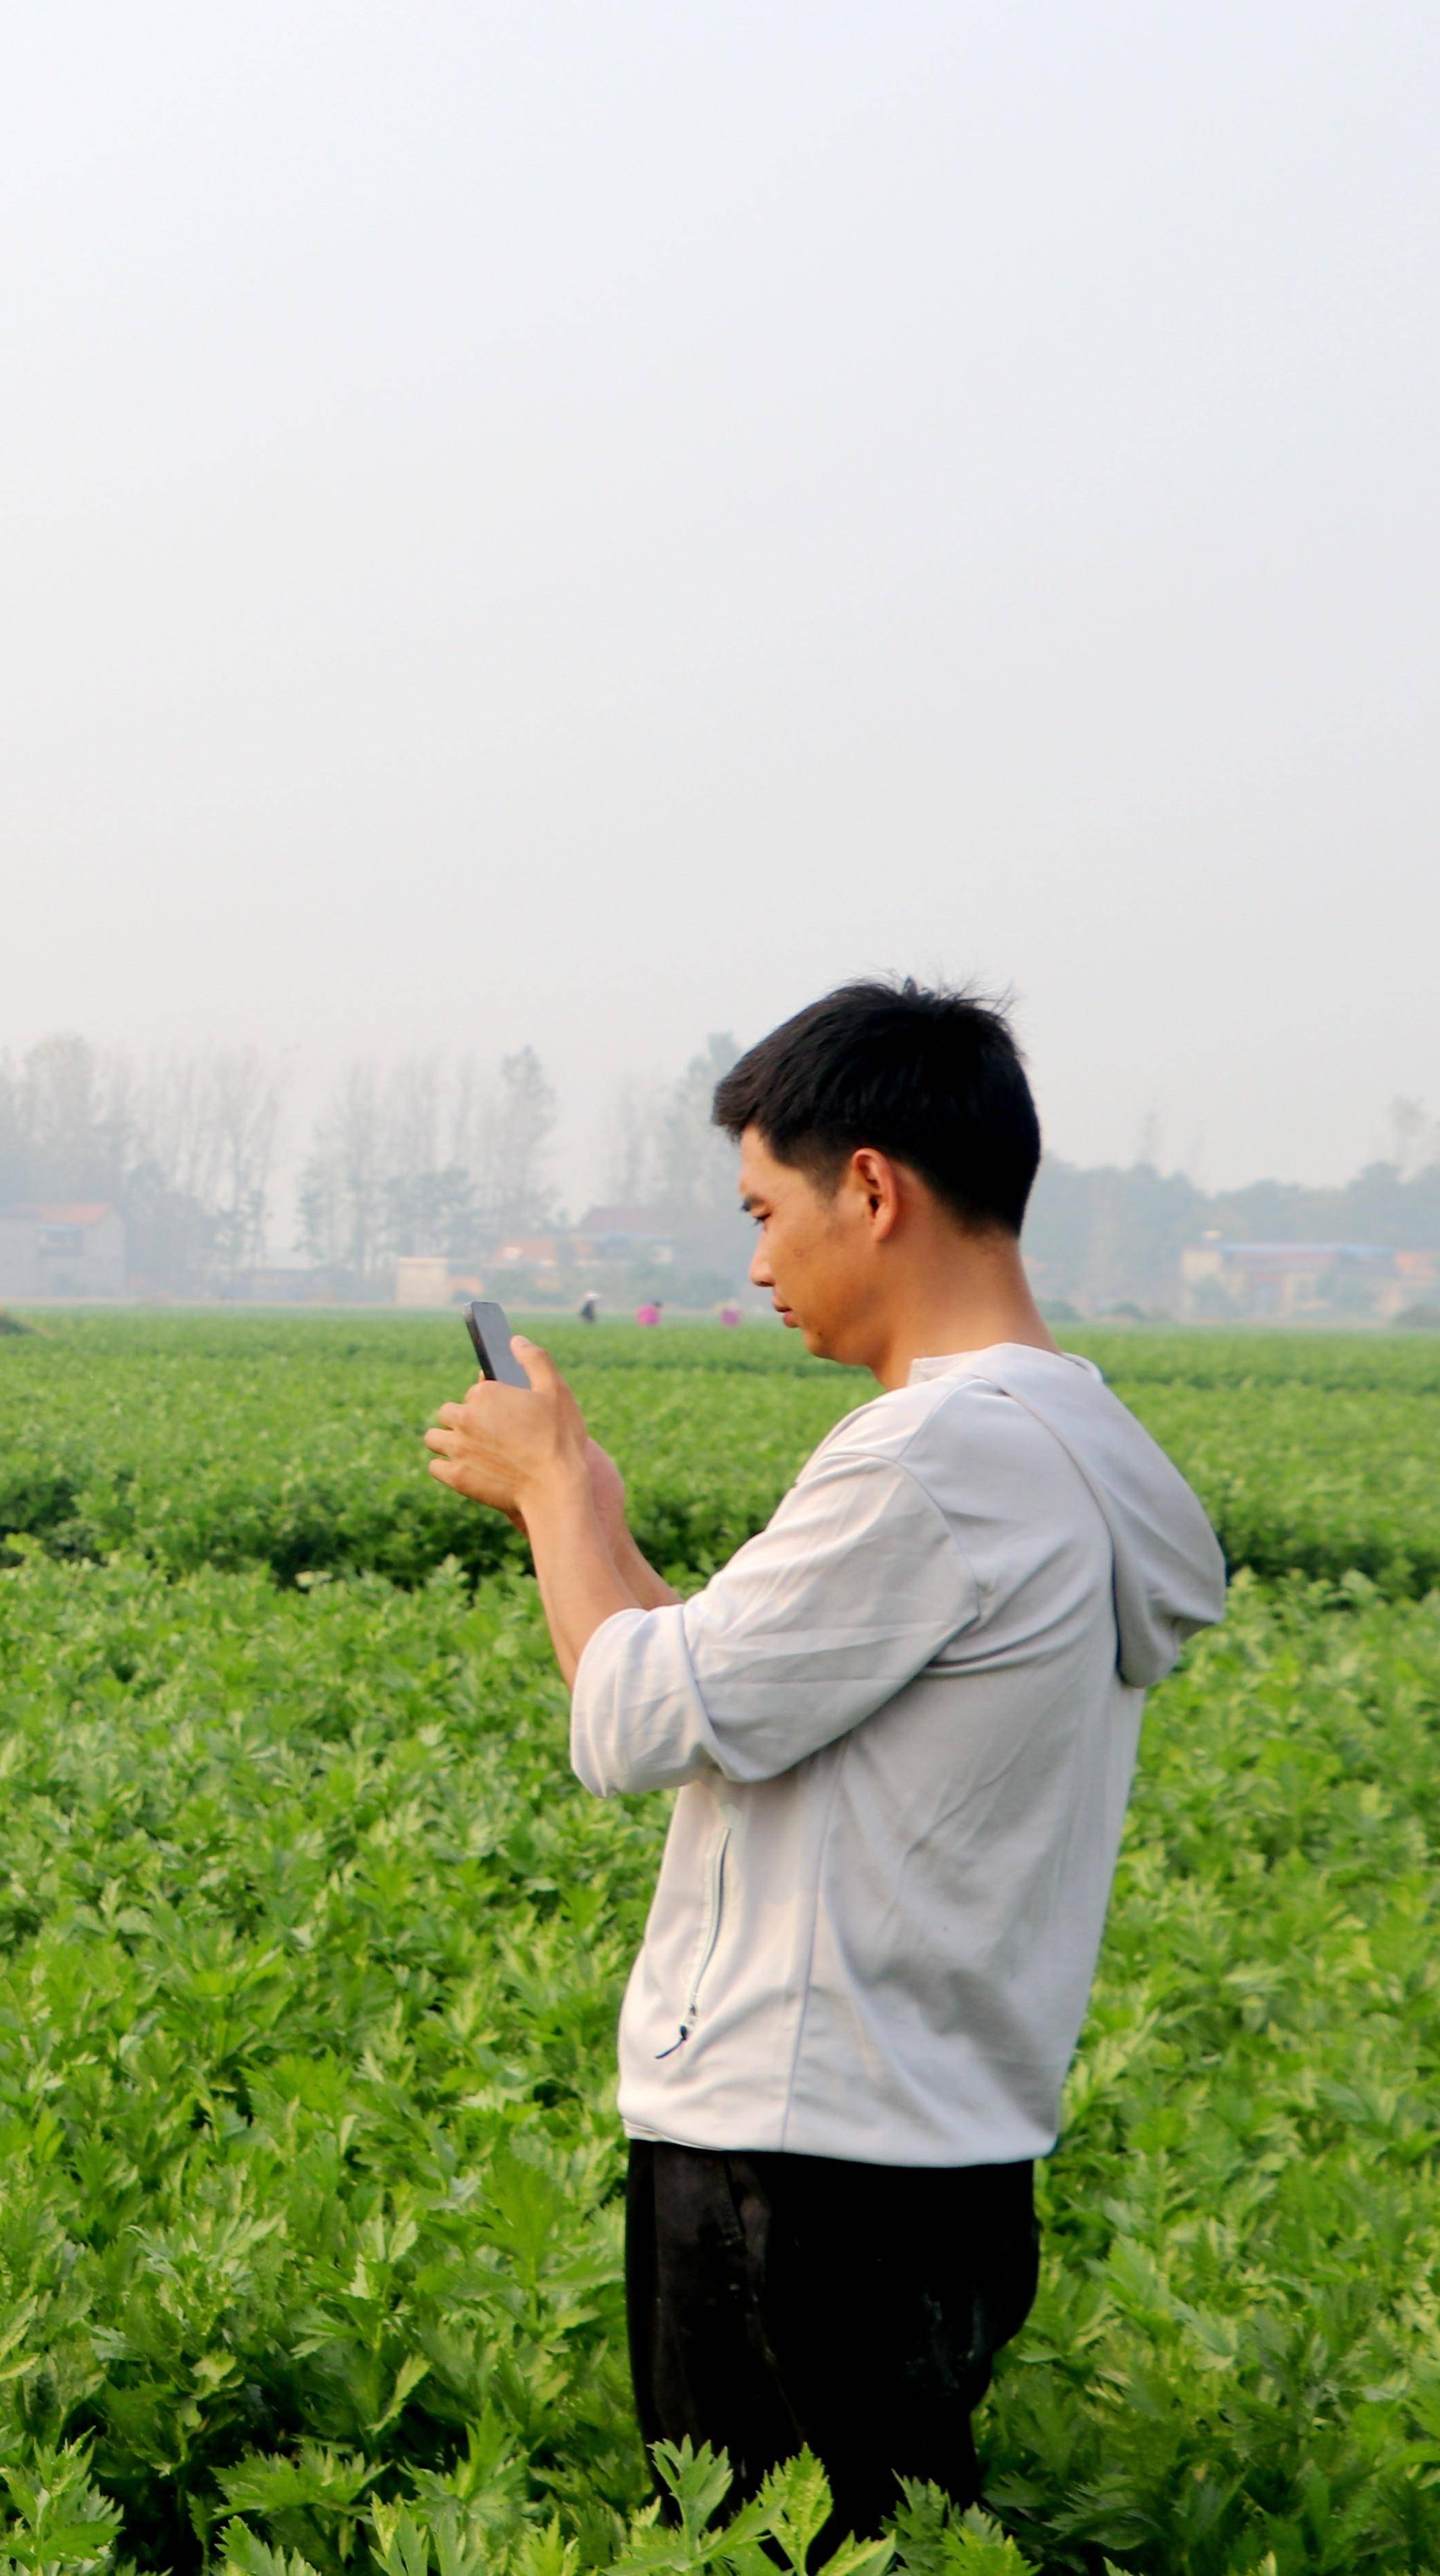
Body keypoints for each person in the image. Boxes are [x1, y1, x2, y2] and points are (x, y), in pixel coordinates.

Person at [421, 981, 1222, 2544]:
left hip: (797, 2165)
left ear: (871, 1187)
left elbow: (636, 1723)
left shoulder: (935, 1457)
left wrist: (551, 1506)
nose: (756, 1259)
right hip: (936, 2155)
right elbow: (739, 1702)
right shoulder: (1062, 1447)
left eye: (763, 1207)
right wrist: (595, 1516)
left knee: (772, 2542)